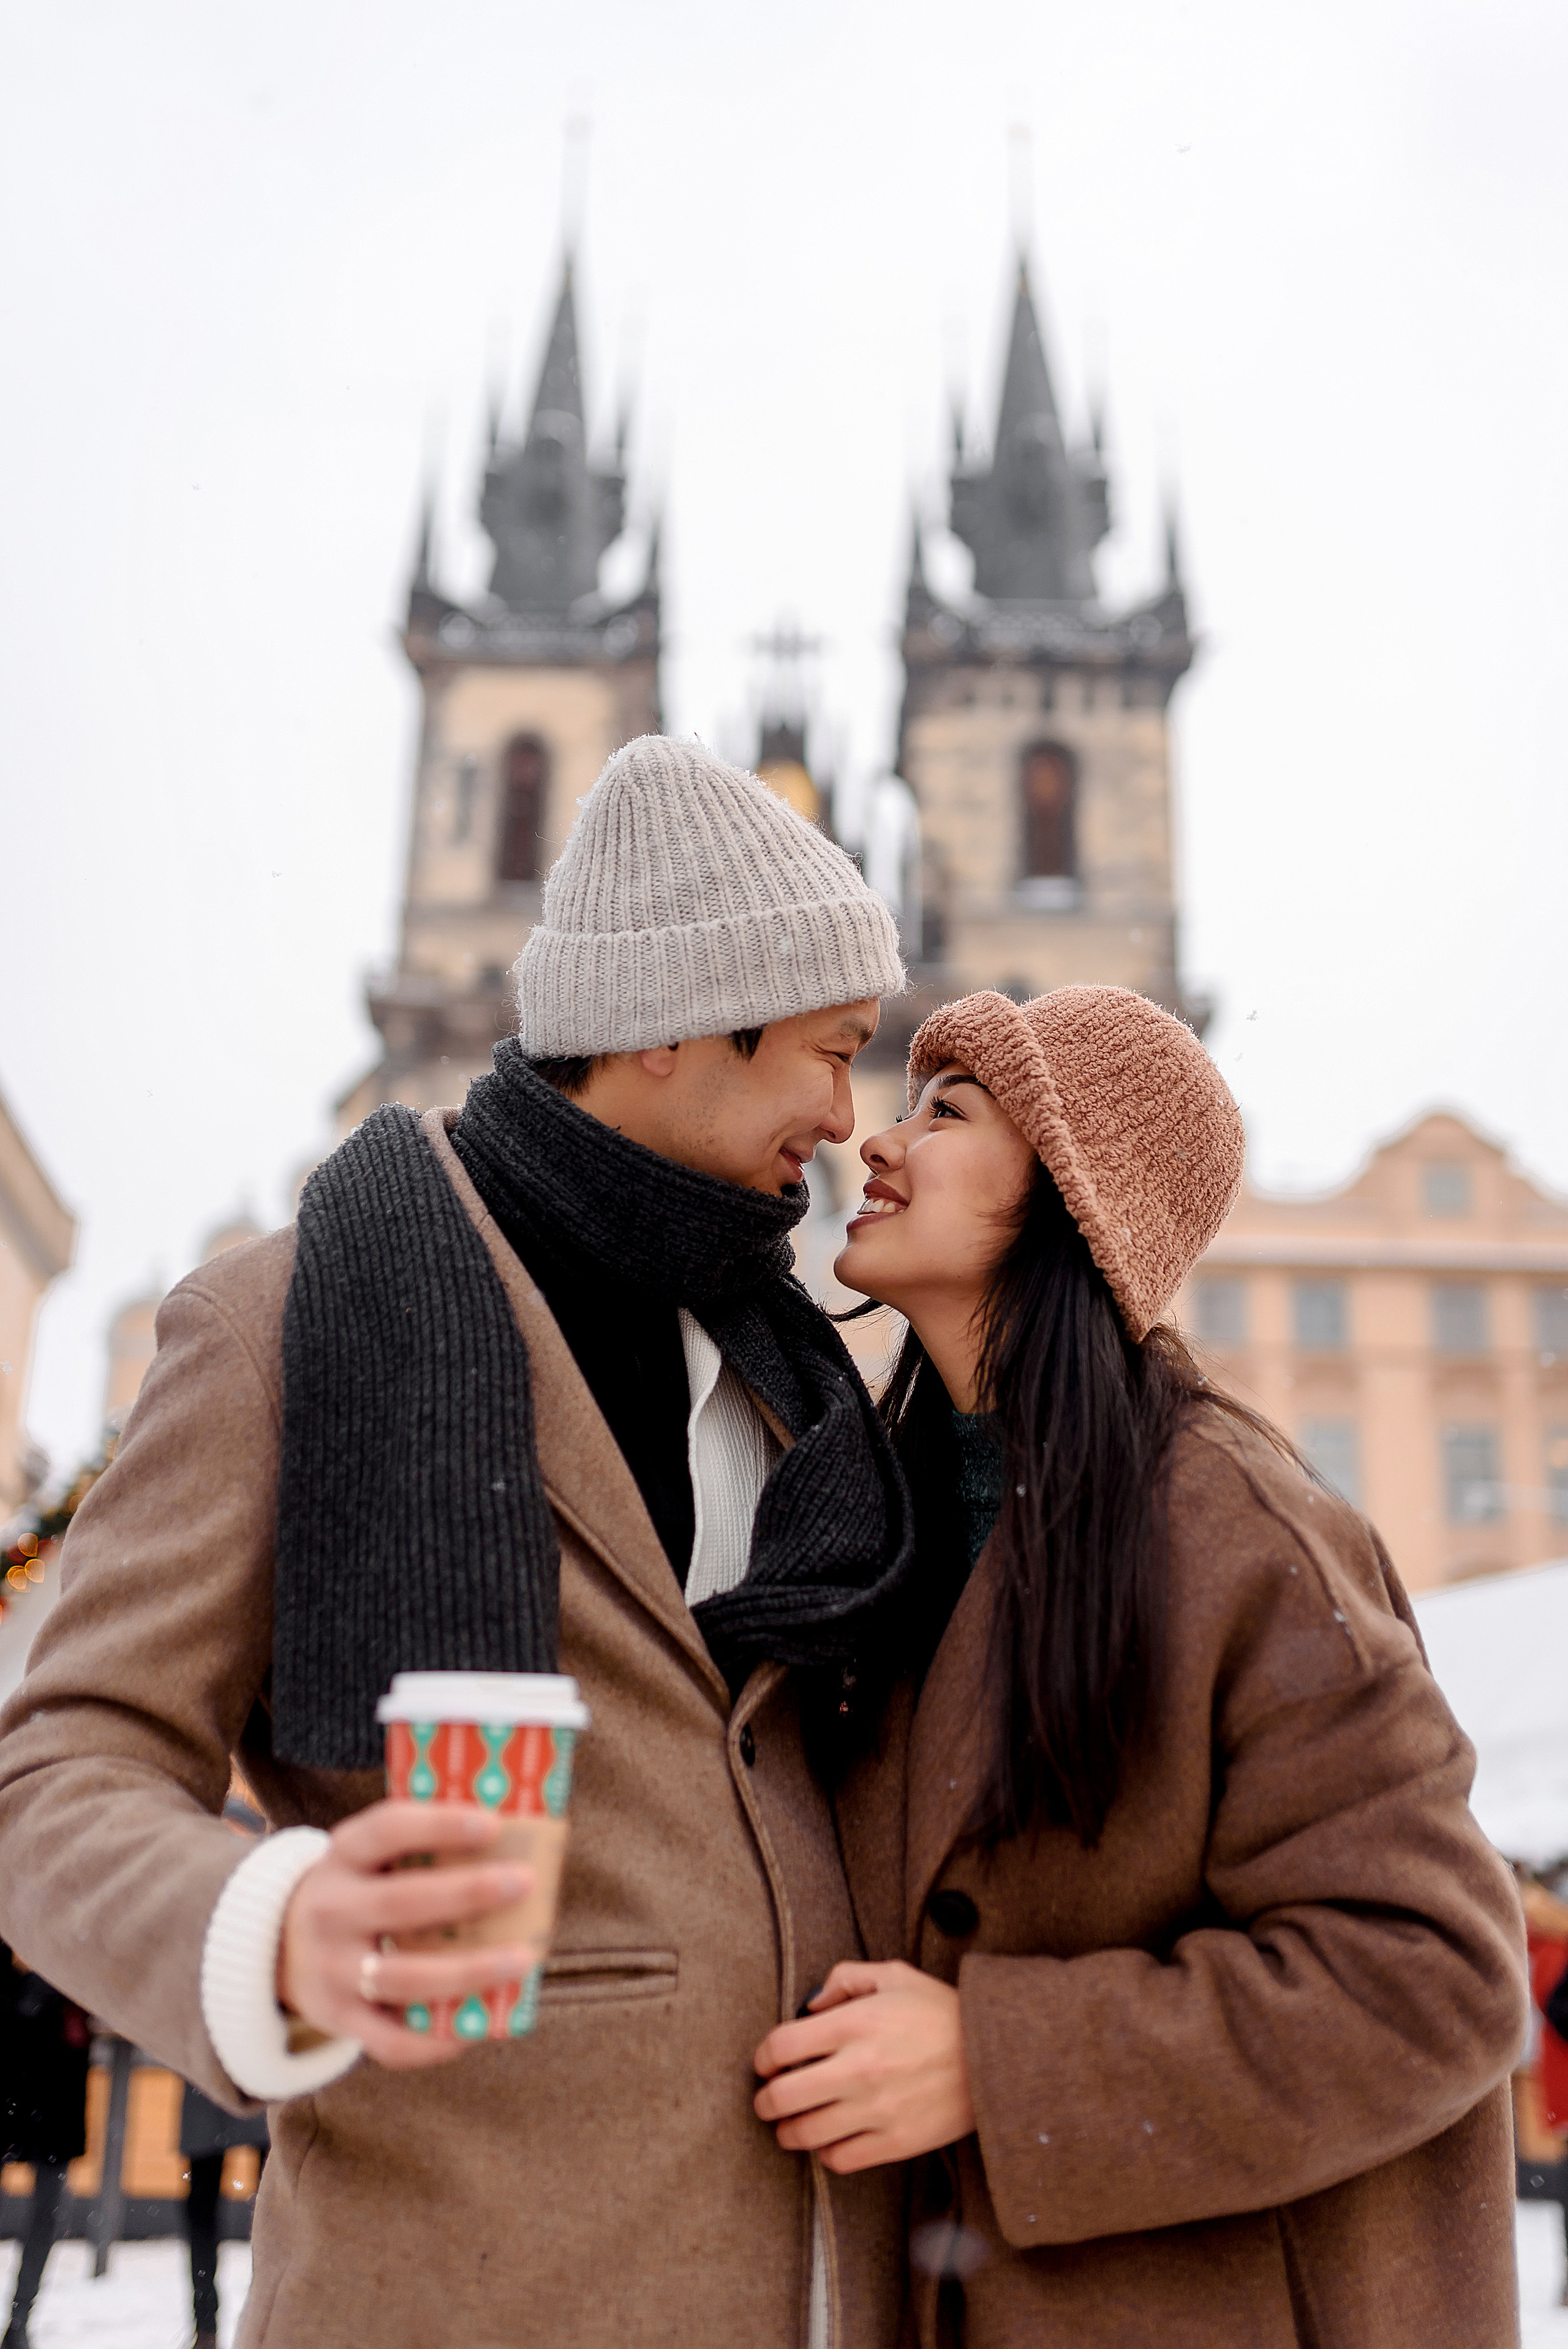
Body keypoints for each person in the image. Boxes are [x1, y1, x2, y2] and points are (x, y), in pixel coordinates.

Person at [0, 736, 914, 2349]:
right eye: (830, 1053)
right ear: (678, 1025)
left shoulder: (814, 1374)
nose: (847, 1117)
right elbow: (57, 1775)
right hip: (463, 2290)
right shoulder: (281, 1316)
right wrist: (269, 1925)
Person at [753, 984, 1529, 2348]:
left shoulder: (1236, 1525)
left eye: (947, 1111)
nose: (877, 1141)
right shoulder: (879, 1518)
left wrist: (997, 2065)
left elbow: (1435, 1976)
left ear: (1066, 1189)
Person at [1, 1939, 90, 2349]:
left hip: (56, 2080)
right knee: (45, 2209)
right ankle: (20, 2322)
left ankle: (21, 2321)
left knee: (46, 2209)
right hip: (14, 2069)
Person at [179, 2081, 269, 2349]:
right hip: (242, 2075)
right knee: (271, 2209)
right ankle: (209, 2326)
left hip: (249, 2074)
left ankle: (254, 2323)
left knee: (273, 2211)